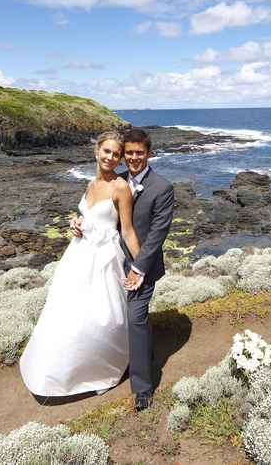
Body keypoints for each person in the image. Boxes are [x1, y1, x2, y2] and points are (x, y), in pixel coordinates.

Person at [19, 131, 140, 397]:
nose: (111, 157)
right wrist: (76, 224)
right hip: (79, 255)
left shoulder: (120, 187)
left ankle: (97, 368)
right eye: (106, 151)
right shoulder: (90, 183)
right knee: (68, 312)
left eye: (116, 154)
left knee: (102, 316)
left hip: (104, 258)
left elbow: (127, 230)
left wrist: (141, 266)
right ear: (97, 151)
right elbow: (86, 214)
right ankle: (60, 369)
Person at [72, 127, 174, 411]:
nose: (133, 158)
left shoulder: (162, 188)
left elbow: (157, 234)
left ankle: (142, 388)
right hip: (110, 262)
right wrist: (77, 221)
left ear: (149, 154)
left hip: (143, 264)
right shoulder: (115, 180)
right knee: (108, 316)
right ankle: (134, 355)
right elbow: (94, 210)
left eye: (138, 153)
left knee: (135, 318)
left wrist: (139, 269)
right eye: (128, 153)